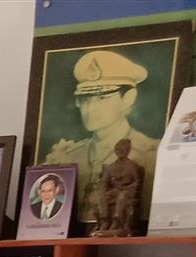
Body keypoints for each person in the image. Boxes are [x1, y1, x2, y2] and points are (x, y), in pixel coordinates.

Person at [44, 49, 161, 229]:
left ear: (128, 98)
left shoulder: (151, 155)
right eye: (84, 99)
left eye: (102, 98)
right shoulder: (66, 157)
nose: (90, 109)